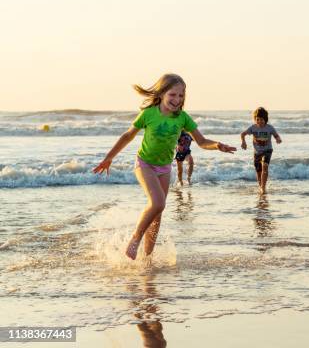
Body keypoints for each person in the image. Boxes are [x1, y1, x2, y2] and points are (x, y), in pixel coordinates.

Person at [92, 73, 236, 260]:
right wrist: (109, 157)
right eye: (172, 95)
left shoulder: (183, 118)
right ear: (161, 94)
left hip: (164, 168)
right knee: (158, 203)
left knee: (158, 213)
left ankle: (147, 259)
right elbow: (128, 135)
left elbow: (201, 141)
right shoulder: (149, 114)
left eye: (181, 95)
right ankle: (135, 239)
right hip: (144, 164)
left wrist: (217, 145)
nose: (177, 100)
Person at [240, 107, 282, 194]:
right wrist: (243, 142)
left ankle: (263, 188)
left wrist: (278, 139)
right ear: (255, 119)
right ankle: (261, 187)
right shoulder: (253, 128)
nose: (259, 121)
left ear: (265, 119)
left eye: (261, 120)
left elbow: (276, 135)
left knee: (265, 166)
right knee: (258, 172)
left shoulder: (269, 128)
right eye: (257, 119)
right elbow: (243, 134)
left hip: (267, 150)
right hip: (257, 152)